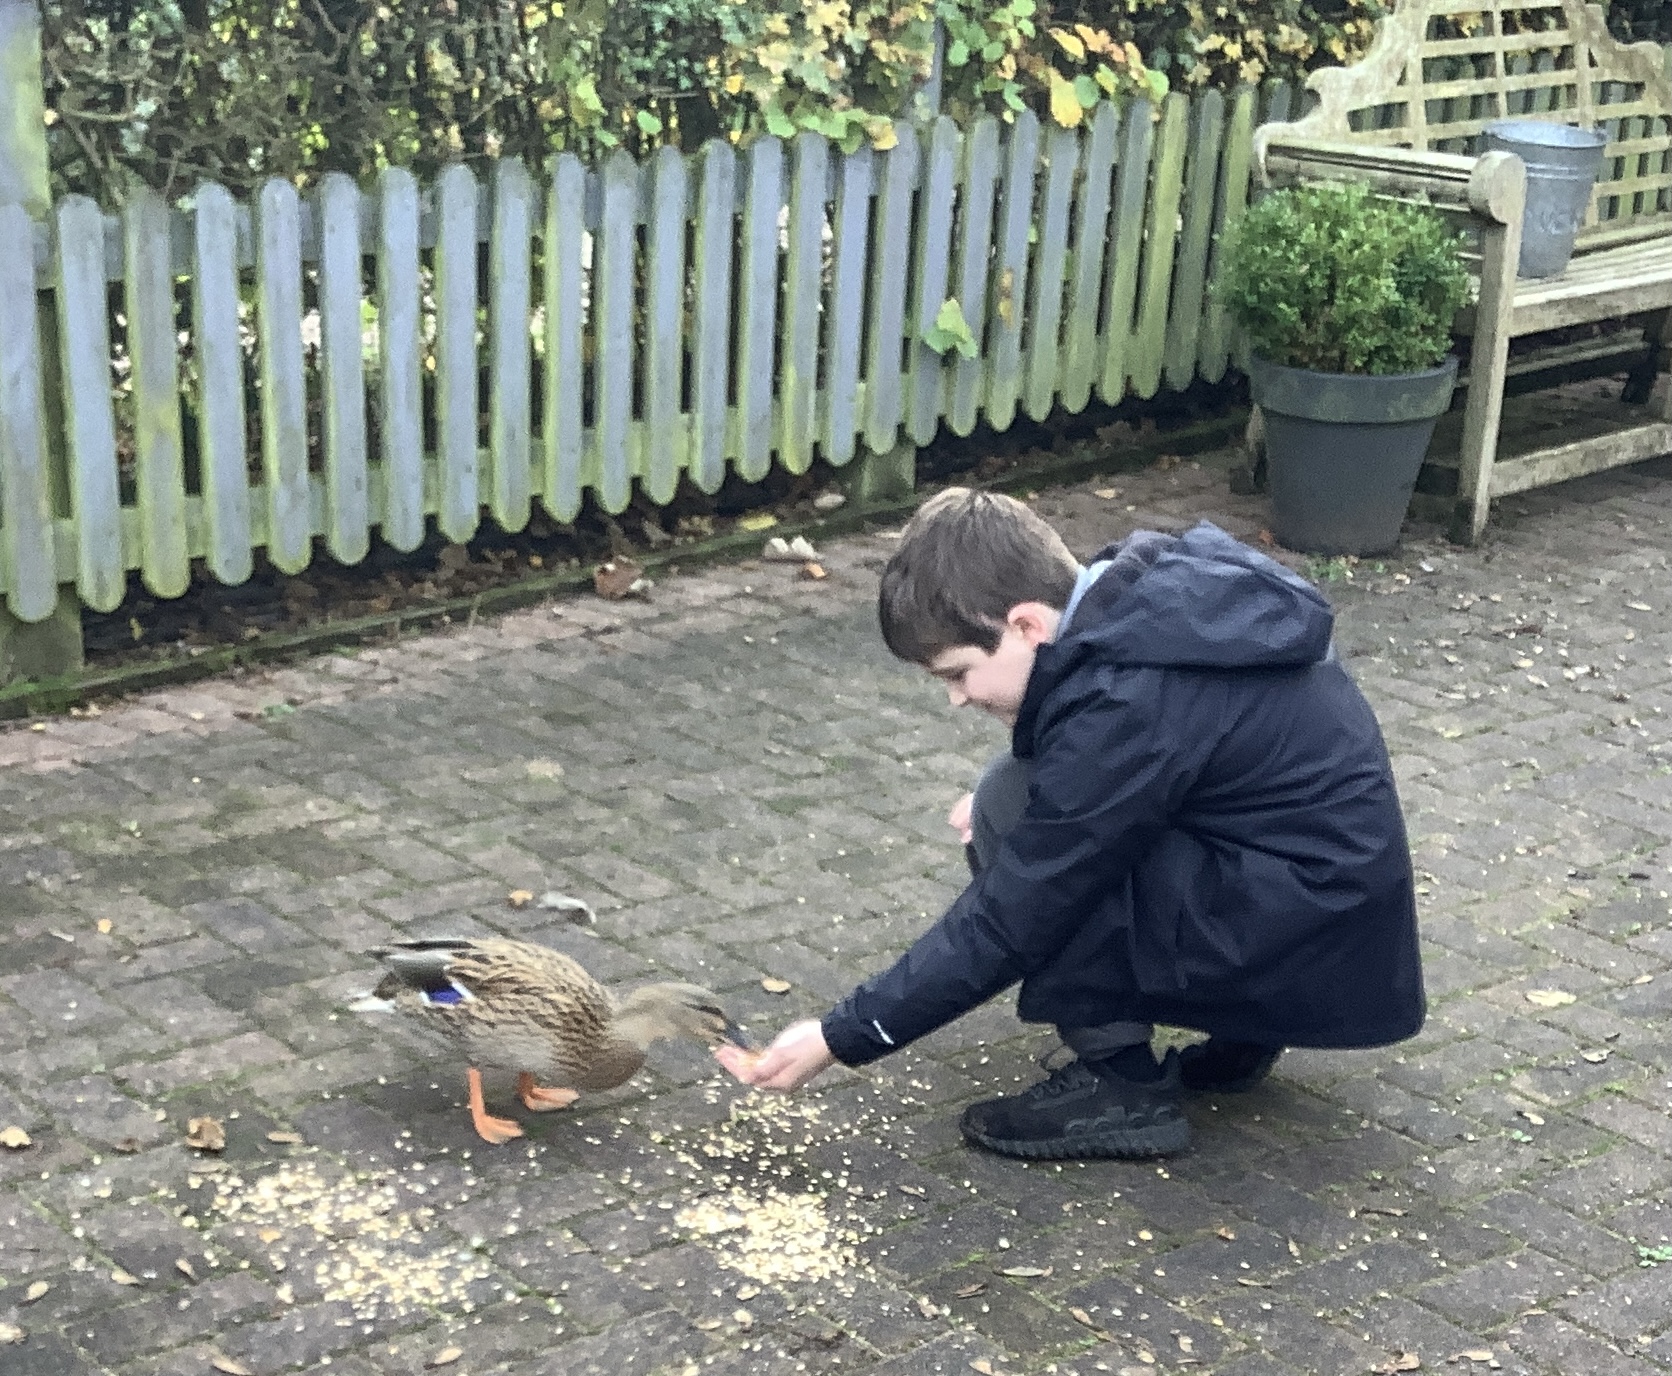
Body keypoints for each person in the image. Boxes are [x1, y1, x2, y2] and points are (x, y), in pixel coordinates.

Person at [717, 488, 1423, 1159]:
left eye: (957, 674)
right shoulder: (1154, 592)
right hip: (1326, 915)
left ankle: (1121, 1088)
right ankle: (1245, 1030)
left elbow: (1012, 916)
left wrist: (843, 1035)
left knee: (1015, 818)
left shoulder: (1129, 699)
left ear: (1026, 624)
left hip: (1299, 934)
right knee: (1018, 796)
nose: (956, 699)